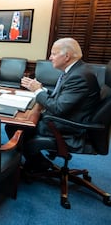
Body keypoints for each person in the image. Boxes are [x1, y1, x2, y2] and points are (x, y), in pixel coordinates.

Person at [7, 37, 101, 172]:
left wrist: (38, 91)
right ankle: (37, 162)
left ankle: (35, 163)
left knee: (17, 125)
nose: (50, 57)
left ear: (67, 56)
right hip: (67, 118)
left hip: (68, 127)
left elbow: (58, 108)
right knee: (16, 124)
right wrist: (43, 89)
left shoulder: (79, 76)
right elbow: (64, 96)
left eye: (54, 53)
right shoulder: (78, 70)